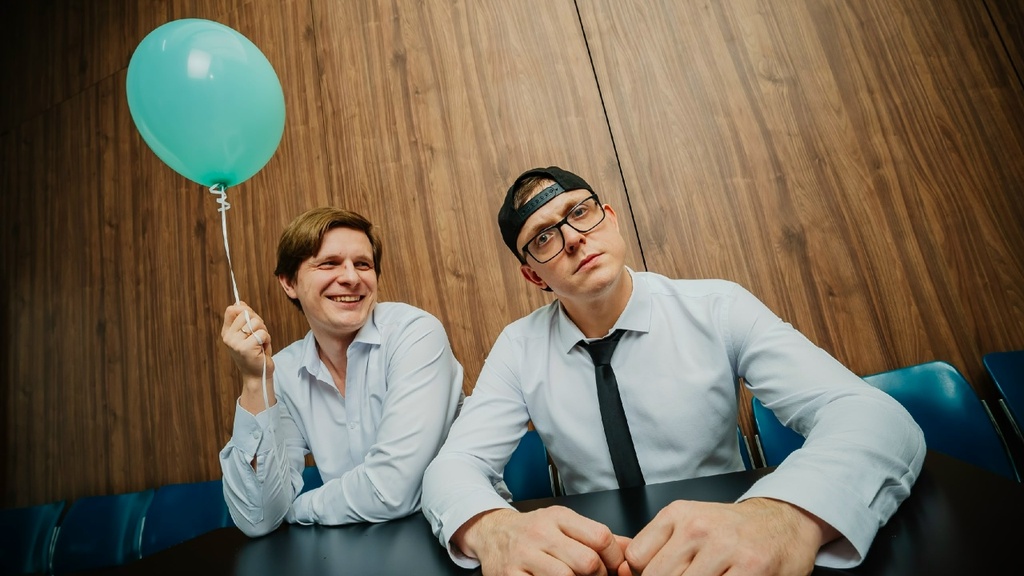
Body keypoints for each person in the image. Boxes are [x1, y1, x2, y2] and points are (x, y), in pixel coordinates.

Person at [421, 166, 925, 575]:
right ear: (534, 275)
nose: (573, 238)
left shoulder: (718, 307)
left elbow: (875, 418)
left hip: (732, 552)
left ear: (610, 218)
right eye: (544, 237)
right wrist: (495, 529)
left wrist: (782, 518)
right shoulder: (518, 348)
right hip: (601, 561)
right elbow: (452, 468)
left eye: (580, 213)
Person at [220, 206, 464, 537]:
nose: (351, 277)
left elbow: (391, 490)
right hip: (357, 546)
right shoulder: (284, 372)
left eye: (363, 264)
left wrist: (299, 509)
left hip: (452, 537)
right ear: (289, 283)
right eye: (329, 263)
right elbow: (259, 518)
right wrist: (254, 381)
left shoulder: (415, 334)